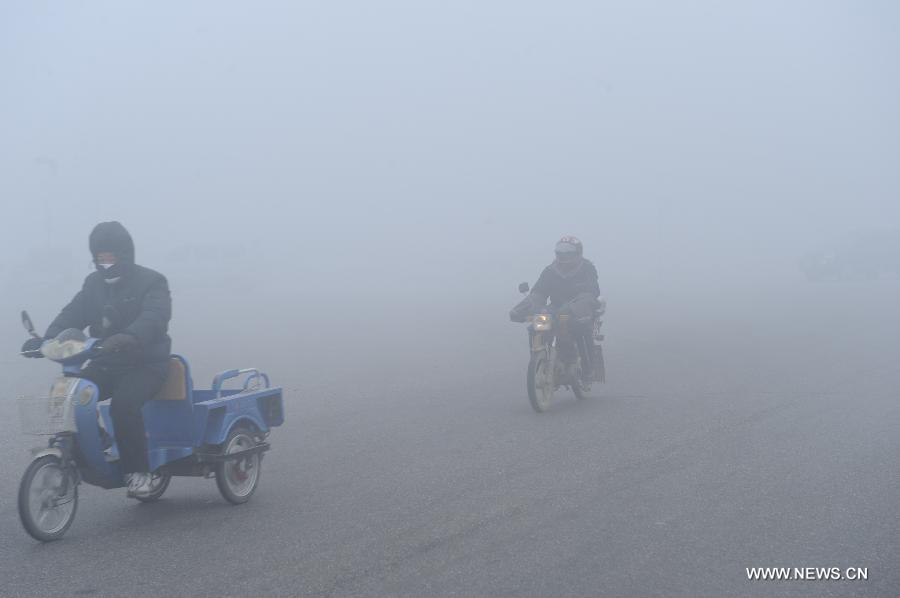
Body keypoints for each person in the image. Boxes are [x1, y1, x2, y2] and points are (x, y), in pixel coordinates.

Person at [21, 221, 172, 496]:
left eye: (110, 257)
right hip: (106, 361)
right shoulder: (94, 284)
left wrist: (129, 336)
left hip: (146, 363)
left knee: (124, 406)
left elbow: (155, 317)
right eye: (99, 258)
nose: (105, 264)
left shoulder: (152, 281)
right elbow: (73, 313)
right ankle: (96, 441)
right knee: (66, 396)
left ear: (125, 255)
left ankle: (139, 473)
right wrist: (46, 340)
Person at [509, 235, 602, 376]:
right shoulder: (550, 271)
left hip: (579, 311)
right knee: (535, 326)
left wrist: (575, 306)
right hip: (555, 309)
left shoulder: (587, 268)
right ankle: (540, 358)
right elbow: (538, 293)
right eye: (560, 251)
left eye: (568, 251)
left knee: (581, 329)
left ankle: (587, 369)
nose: (563, 254)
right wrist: (521, 309)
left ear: (577, 252)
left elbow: (592, 291)